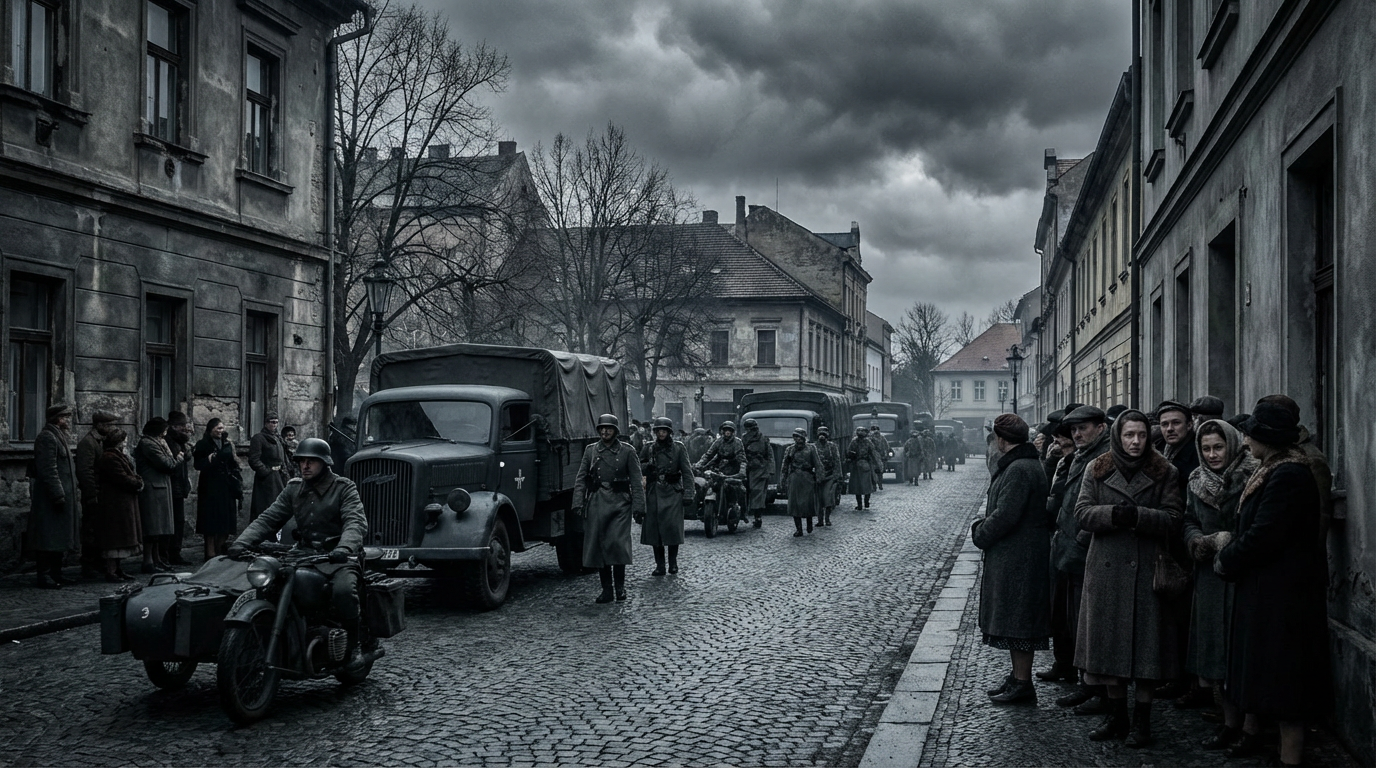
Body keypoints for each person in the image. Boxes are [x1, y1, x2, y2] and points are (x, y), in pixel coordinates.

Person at [1214, 401, 1333, 767]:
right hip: (1271, 590)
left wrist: (1226, 557)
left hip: (1283, 595)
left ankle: (1290, 759)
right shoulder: (1274, 469)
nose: (1245, 440)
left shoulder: (1288, 475)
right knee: (1274, 680)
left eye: (1250, 434)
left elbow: (1264, 534)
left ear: (1266, 437)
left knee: (1286, 687)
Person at [1074, 409, 1183, 748]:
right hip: (1106, 571)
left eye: (1140, 435)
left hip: (1147, 571)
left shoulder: (1165, 470)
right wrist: (1112, 514)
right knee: (1109, 649)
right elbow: (1081, 513)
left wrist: (1139, 516)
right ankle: (1117, 716)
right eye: (1128, 435)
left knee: (1147, 652)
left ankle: (1142, 721)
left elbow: (1175, 518)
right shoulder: (1097, 467)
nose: (1135, 442)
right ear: (1117, 437)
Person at [228, 438, 373, 670]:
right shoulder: (294, 488)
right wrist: (241, 542)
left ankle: (354, 645)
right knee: (269, 583)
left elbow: (355, 522)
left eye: (311, 462)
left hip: (336, 557)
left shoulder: (344, 488)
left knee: (344, 591)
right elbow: (269, 518)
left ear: (325, 463)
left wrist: (344, 548)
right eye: (302, 461)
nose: (305, 466)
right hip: (302, 553)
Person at [1181, 418, 1258, 750]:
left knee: (1246, 655)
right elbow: (1188, 520)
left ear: (1232, 443)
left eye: (1218, 446)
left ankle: (1252, 727)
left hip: (1245, 576)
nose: (1212, 454)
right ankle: (1229, 722)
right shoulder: (1196, 481)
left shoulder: (1252, 475)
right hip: (1210, 578)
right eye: (1206, 448)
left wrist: (1233, 541)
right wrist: (1200, 540)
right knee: (1216, 657)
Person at [974, 414, 1052, 704]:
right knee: (1016, 619)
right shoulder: (1023, 464)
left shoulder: (1019, 469)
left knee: (1020, 621)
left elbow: (1006, 514)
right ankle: (1017, 677)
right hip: (1019, 553)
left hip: (1020, 556)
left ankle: (1023, 682)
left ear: (1002, 440)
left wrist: (980, 533)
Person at [1041, 405, 1110, 712]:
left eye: (1084, 428)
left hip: (1089, 552)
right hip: (1071, 549)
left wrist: (1080, 540)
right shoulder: (1080, 455)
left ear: (1101, 428)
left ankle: (1102, 692)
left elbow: (1100, 505)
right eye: (1074, 430)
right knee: (1075, 621)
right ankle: (1087, 683)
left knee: (1093, 624)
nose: (1078, 434)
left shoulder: (1105, 457)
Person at [1154, 400, 1204, 705]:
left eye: (1175, 423)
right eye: (1165, 424)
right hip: (1170, 544)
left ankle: (1194, 684)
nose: (1170, 429)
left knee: (1189, 620)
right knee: (1173, 618)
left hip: (1188, 544)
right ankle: (1177, 677)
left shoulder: (1194, 456)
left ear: (1189, 424)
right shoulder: (1165, 452)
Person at [574, 414, 645, 603]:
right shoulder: (591, 451)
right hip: (597, 502)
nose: (605, 431)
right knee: (599, 545)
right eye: (602, 428)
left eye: (609, 428)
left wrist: (639, 507)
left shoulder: (627, 451)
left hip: (620, 503)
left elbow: (637, 482)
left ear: (616, 431)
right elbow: (581, 478)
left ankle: (620, 588)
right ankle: (607, 590)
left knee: (617, 545)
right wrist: (578, 502)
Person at [29, 404, 78, 589]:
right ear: (57, 418)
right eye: (65, 417)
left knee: (60, 537)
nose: (67, 420)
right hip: (50, 499)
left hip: (62, 496)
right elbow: (48, 469)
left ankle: (56, 573)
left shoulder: (58, 435)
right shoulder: (47, 437)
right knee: (48, 537)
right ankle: (44, 575)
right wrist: (57, 494)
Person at [638, 417, 693, 575]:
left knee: (672, 529)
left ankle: (673, 563)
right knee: (655, 531)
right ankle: (660, 565)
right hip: (654, 492)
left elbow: (687, 472)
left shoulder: (678, 448)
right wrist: (648, 466)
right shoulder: (648, 448)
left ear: (669, 432)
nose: (661, 433)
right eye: (658, 431)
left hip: (673, 492)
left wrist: (688, 493)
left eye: (664, 431)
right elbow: (638, 468)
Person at [134, 417, 183, 574]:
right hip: (152, 489)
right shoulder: (148, 444)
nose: (165, 433)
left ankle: (157, 559)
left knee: (159, 529)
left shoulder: (157, 442)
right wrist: (177, 459)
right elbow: (166, 464)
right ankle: (148, 560)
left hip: (161, 488)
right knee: (152, 527)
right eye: (164, 430)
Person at [75, 410, 119, 578]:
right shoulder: (88, 442)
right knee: (91, 530)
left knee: (100, 530)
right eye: (110, 425)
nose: (112, 428)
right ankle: (88, 564)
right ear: (100, 425)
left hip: (102, 494)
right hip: (93, 494)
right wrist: (91, 495)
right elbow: (85, 472)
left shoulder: (101, 441)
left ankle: (97, 563)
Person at [95, 429, 142, 582]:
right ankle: (111, 571)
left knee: (121, 538)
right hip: (114, 504)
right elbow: (121, 478)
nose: (125, 444)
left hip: (121, 502)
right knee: (114, 539)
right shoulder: (110, 458)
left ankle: (118, 569)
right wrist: (137, 482)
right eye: (123, 441)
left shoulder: (118, 456)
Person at [193, 418, 243, 559]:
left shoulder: (227, 444)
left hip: (226, 486)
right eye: (218, 428)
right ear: (210, 429)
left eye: (222, 428)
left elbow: (234, 462)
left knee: (225, 520)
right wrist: (209, 460)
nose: (221, 431)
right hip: (209, 486)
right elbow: (197, 465)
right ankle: (210, 553)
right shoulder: (202, 444)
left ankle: (220, 549)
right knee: (210, 521)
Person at [248, 414, 290, 521]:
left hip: (280, 477)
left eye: (276, 422)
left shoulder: (278, 438)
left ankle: (278, 536)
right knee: (266, 508)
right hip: (266, 480)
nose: (274, 425)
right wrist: (266, 471)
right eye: (272, 422)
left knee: (280, 507)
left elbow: (283, 458)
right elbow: (254, 460)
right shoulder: (259, 438)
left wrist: (286, 472)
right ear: (266, 423)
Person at [165, 411, 194, 565]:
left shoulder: (180, 441)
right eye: (181, 425)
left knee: (179, 521)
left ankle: (175, 552)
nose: (185, 428)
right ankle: (170, 553)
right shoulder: (168, 440)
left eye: (185, 425)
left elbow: (187, 458)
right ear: (173, 426)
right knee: (172, 521)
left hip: (179, 485)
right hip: (171, 485)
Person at [780, 427, 820, 536]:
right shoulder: (790, 449)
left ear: (803, 437)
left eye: (799, 437)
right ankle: (799, 529)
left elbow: (817, 463)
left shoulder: (811, 448)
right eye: (795, 437)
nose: (797, 439)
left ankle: (809, 522)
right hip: (794, 478)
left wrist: (819, 478)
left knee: (807, 503)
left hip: (807, 478)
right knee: (794, 504)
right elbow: (785, 465)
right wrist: (783, 480)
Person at [740, 418, 773, 529]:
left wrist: (770, 470)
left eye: (752, 429)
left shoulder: (763, 439)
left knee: (757, 493)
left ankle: (758, 517)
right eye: (749, 429)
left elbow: (769, 455)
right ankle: (743, 514)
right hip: (746, 468)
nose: (750, 431)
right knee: (743, 492)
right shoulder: (743, 438)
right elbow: (740, 452)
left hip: (759, 469)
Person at [814, 426, 843, 526]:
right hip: (817, 477)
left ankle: (827, 518)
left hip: (829, 476)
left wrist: (838, 476)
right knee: (818, 499)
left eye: (824, 434)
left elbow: (837, 461)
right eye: (820, 434)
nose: (822, 437)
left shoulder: (832, 447)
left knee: (828, 498)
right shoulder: (813, 447)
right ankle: (820, 520)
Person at [846, 426, 879, 510]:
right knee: (859, 486)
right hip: (858, 465)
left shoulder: (867, 442)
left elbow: (873, 453)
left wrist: (876, 464)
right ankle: (862, 503)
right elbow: (849, 452)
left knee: (865, 485)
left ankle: (864, 502)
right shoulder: (855, 442)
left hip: (863, 465)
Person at [869, 424, 890, 489]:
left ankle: (878, 484)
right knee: (876, 471)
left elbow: (886, 446)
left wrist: (885, 454)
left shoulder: (881, 437)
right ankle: (876, 484)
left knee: (878, 471)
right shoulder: (870, 438)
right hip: (874, 457)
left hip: (879, 457)